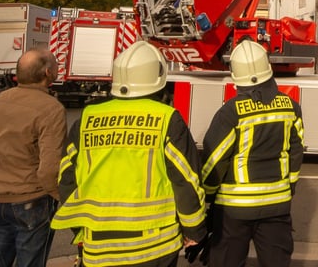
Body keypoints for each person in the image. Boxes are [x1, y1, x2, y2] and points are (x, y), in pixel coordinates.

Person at [51, 41, 207, 267]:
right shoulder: (166, 118)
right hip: (155, 246)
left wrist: (81, 228)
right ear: (158, 79)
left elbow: (66, 178)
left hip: (98, 246)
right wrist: (195, 231)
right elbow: (186, 181)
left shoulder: (87, 118)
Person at [198, 40, 305, 267]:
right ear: (268, 68)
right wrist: (289, 186)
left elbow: (214, 161)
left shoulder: (230, 112)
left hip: (233, 211)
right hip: (277, 206)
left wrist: (206, 196)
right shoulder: (291, 107)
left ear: (236, 75)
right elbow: (296, 152)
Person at [0, 47, 68, 267]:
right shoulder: (51, 109)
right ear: (47, 73)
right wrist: (56, 196)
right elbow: (50, 167)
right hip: (33, 200)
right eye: (55, 66)